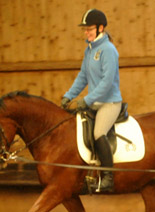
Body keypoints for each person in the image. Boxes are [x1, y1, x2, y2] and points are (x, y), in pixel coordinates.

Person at [61, 9, 123, 192]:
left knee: (98, 133)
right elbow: (82, 77)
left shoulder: (109, 50)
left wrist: (86, 100)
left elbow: (107, 82)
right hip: (94, 102)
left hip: (109, 103)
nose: (86, 32)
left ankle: (108, 177)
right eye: (85, 29)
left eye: (89, 29)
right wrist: (69, 96)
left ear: (100, 28)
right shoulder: (89, 50)